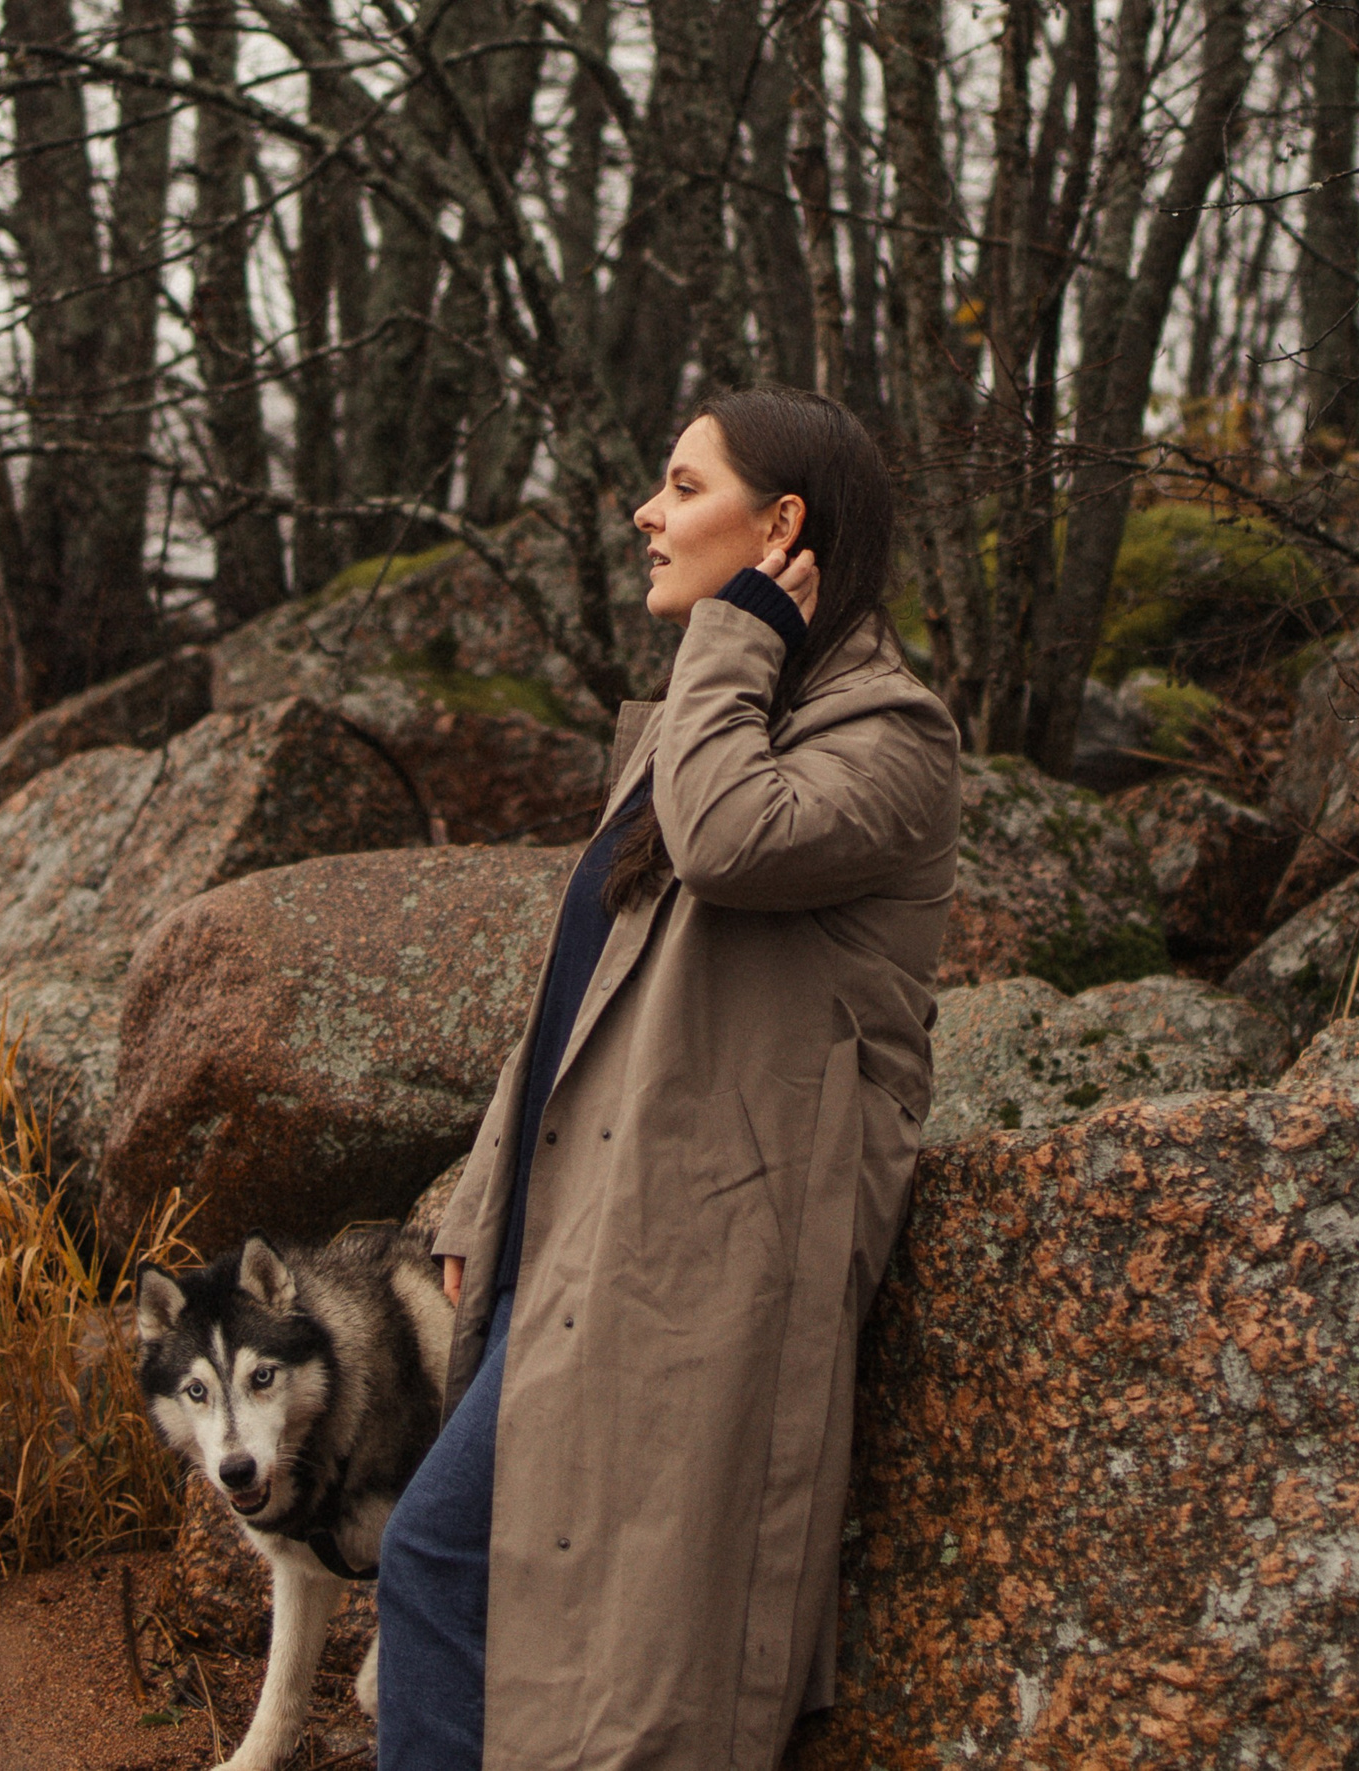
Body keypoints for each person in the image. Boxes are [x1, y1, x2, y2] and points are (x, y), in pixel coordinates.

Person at [374, 384, 963, 1770]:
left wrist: (729, 644)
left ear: (782, 529)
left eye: (684, 488)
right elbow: (575, 989)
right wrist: (481, 1199)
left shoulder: (892, 739)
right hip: (583, 1232)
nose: (648, 513)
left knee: (609, 1661)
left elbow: (729, 845)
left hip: (706, 1261)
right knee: (464, 1573)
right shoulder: (709, 723)